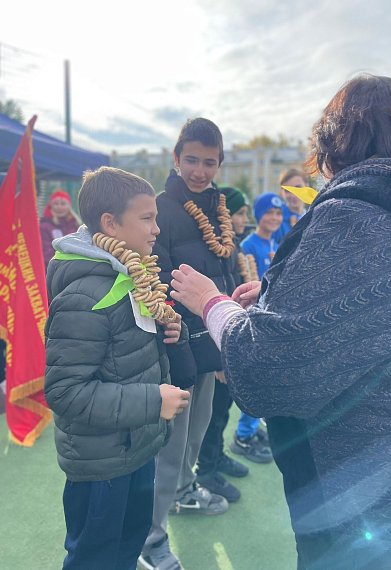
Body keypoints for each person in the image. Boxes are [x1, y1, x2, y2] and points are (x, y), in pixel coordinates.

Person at [169, 74, 391, 570]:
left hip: (352, 482)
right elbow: (366, 316)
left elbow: (273, 369)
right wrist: (275, 297)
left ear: (337, 139)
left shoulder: (355, 212)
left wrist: (211, 302)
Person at [44, 166, 190, 570]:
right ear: (110, 223)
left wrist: (168, 334)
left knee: (127, 545)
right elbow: (65, 391)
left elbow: (124, 357)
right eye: (147, 218)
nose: (157, 229)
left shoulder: (132, 276)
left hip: (135, 448)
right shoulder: (85, 294)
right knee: (94, 557)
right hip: (101, 464)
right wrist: (151, 401)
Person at [139, 118, 237, 570]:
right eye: (192, 160)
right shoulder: (160, 209)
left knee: (196, 435)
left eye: (209, 162)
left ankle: (182, 494)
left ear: (219, 164)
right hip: (178, 344)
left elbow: (228, 276)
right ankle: (152, 539)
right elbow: (159, 285)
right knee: (171, 445)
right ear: (176, 159)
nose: (200, 170)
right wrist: (176, 354)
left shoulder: (218, 205)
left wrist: (227, 347)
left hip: (212, 341)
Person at [195, 186, 251, 502]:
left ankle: (217, 457)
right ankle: (205, 470)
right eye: (239, 213)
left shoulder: (233, 245)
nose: (244, 219)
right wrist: (218, 355)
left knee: (224, 408)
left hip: (231, 336)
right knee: (213, 413)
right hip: (217, 343)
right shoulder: (214, 247)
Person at [228, 192, 283, 464]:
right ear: (258, 216)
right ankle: (242, 436)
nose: (274, 218)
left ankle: (250, 428)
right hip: (253, 320)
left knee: (264, 381)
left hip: (267, 317)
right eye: (268, 213)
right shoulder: (248, 244)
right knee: (254, 379)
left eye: (278, 214)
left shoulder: (273, 241)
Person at [39, 189, 80, 268]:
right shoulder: (44, 226)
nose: (59, 207)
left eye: (63, 203)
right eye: (56, 203)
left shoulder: (75, 224)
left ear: (69, 205)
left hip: (74, 266)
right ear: (51, 205)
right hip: (53, 267)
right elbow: (46, 253)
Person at [273, 169, 307, 243]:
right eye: (288, 190)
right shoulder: (275, 219)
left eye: (298, 188)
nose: (294, 195)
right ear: (282, 192)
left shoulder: (312, 216)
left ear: (307, 187)